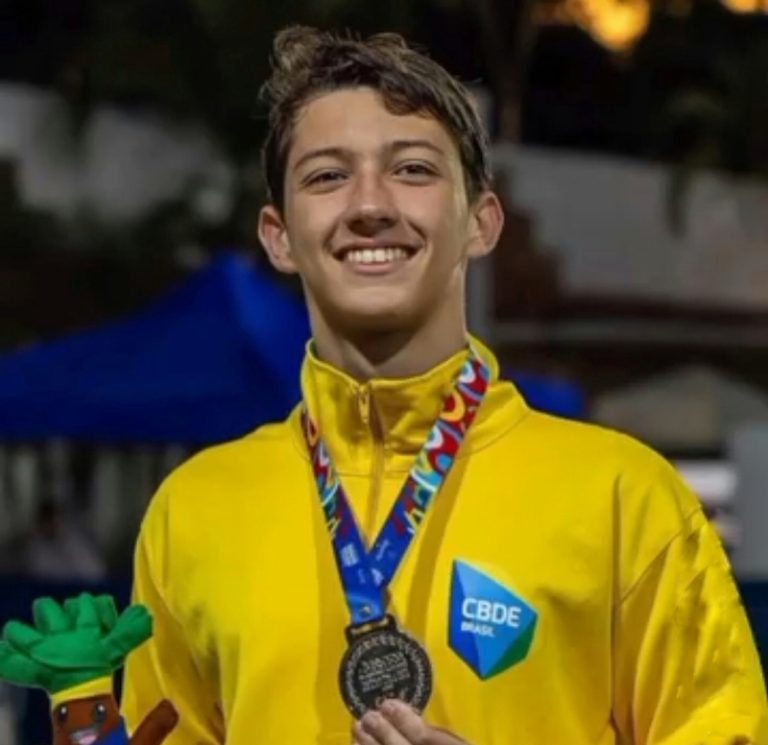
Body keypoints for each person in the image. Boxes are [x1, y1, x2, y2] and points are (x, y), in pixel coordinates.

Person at [121, 25, 768, 745]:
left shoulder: (625, 498)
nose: (369, 204)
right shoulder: (194, 512)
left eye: (412, 169)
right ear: (279, 236)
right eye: (327, 176)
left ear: (481, 222)